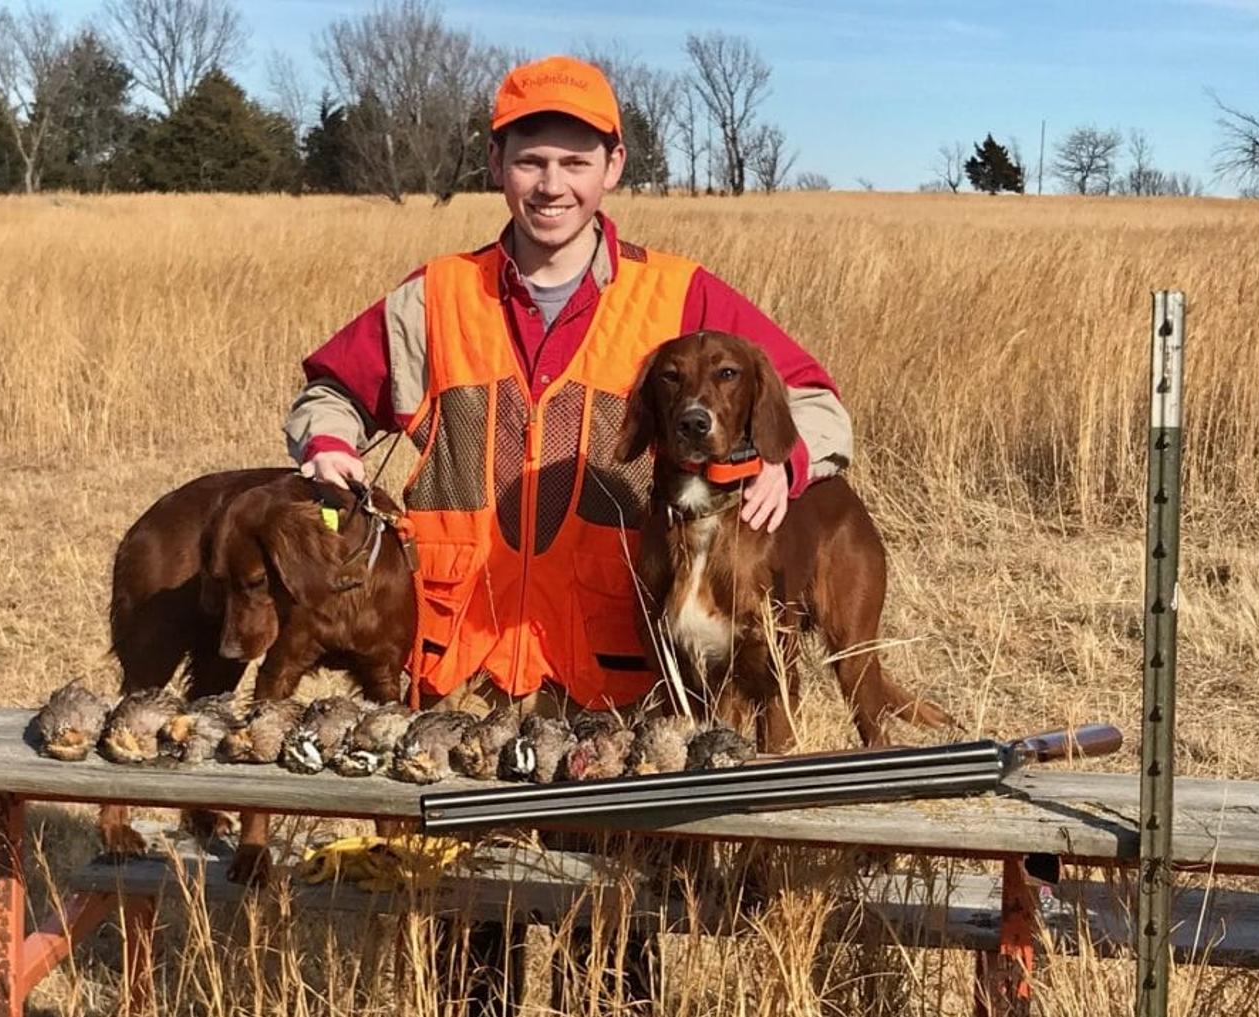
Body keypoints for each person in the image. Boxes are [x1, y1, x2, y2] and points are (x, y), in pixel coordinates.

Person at [285, 55, 853, 722]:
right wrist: (327, 444)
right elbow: (332, 392)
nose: (552, 185)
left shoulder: (678, 296)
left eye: (576, 163)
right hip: (453, 673)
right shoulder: (438, 296)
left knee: (609, 829)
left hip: (616, 683)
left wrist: (782, 466)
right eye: (531, 161)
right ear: (496, 163)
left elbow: (815, 402)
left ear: (613, 167)